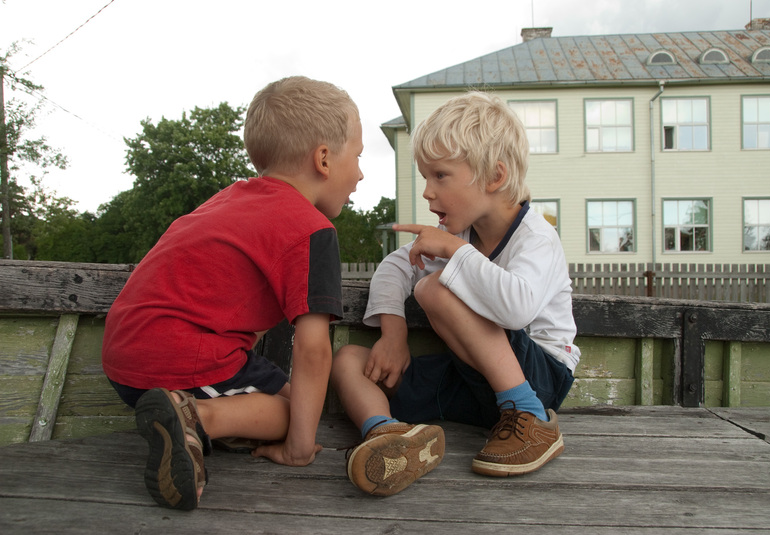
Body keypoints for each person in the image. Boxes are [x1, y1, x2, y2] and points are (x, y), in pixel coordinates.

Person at [101, 76, 364, 510]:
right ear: (323, 159)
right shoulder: (312, 229)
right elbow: (314, 349)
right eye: (357, 156)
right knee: (296, 416)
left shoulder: (228, 199)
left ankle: (193, 419)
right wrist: (299, 447)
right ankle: (195, 417)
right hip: (178, 360)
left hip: (124, 358)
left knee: (292, 398)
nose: (360, 173)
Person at [331, 91, 579, 497]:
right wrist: (393, 335)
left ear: (494, 177)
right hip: (475, 383)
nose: (427, 192)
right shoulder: (459, 235)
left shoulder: (536, 237)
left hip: (540, 378)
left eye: (440, 176)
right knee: (349, 360)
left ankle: (530, 419)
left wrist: (454, 252)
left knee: (434, 288)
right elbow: (396, 265)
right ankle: (388, 435)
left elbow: (518, 309)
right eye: (425, 177)